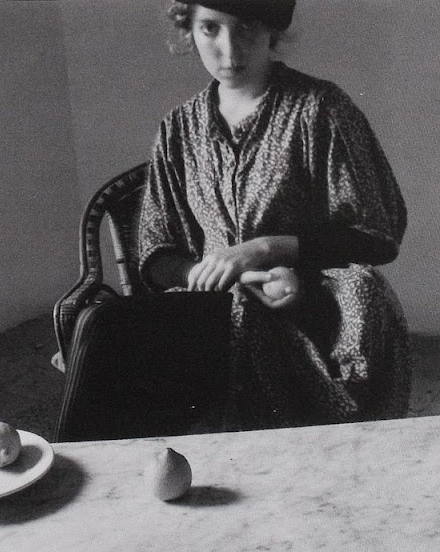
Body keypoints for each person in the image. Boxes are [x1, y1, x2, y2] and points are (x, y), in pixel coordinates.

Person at [138, 0, 411, 431]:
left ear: (272, 30)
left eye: (246, 27)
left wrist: (266, 249)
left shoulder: (320, 109)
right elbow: (156, 253)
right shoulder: (178, 128)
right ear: (188, 29)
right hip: (217, 307)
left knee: (361, 295)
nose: (230, 50)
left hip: (314, 301)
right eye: (210, 28)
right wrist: (217, 273)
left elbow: (377, 234)